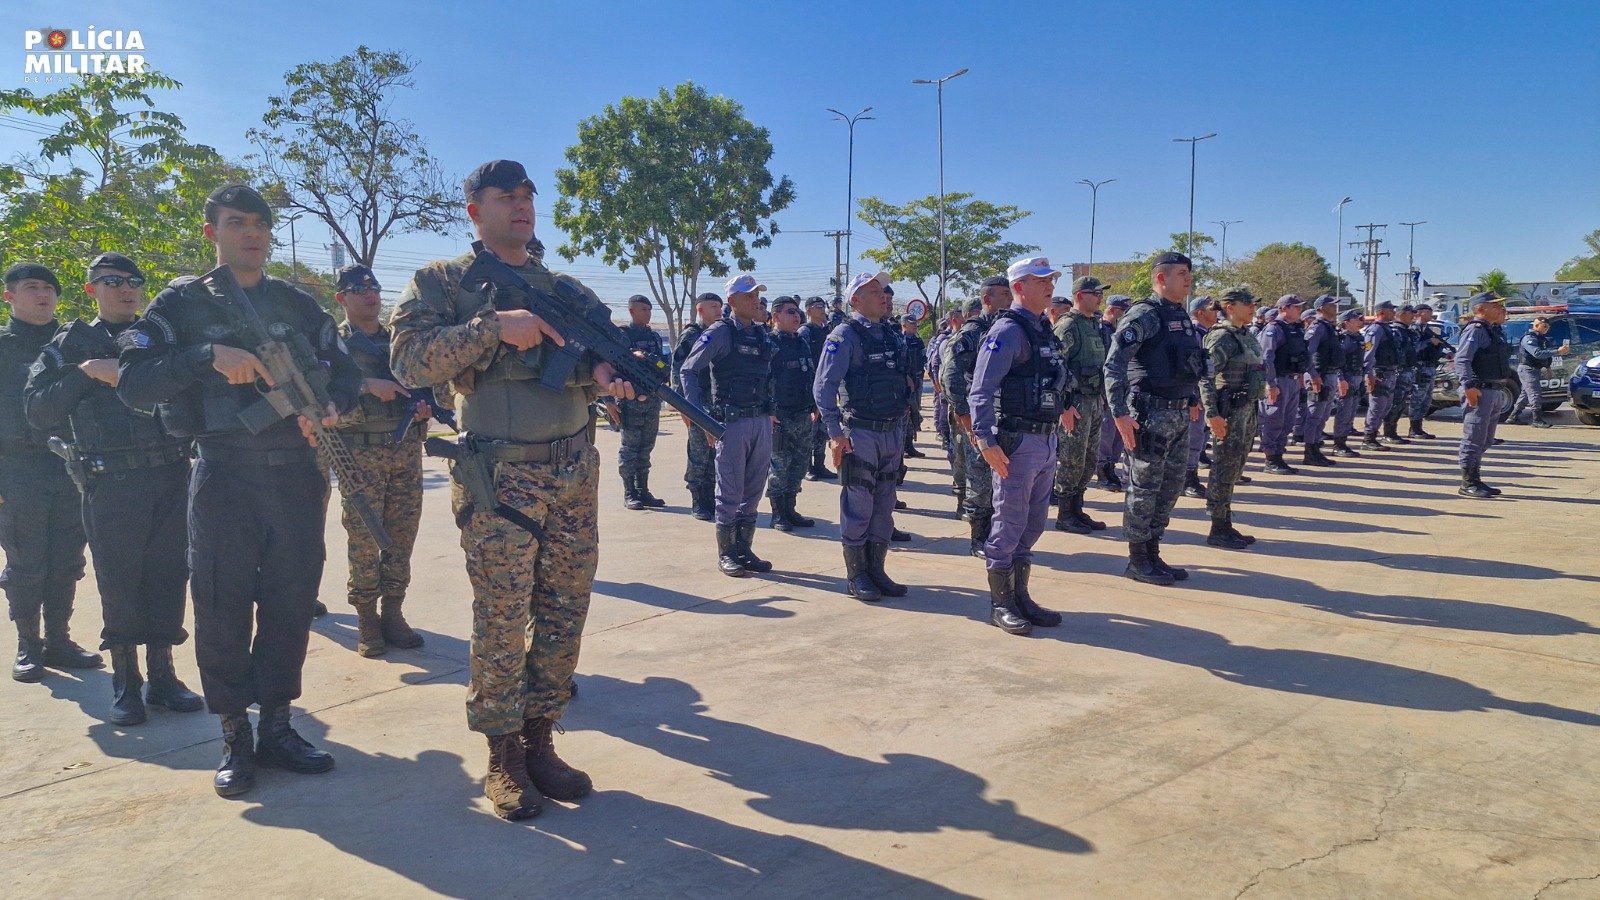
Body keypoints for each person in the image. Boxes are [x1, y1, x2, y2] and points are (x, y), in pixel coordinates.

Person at [389, 160, 635, 820]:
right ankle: (502, 753)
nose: (522, 206)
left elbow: (584, 368)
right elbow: (408, 361)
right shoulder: (443, 282)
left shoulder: (565, 289)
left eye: (529, 195)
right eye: (507, 197)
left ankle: (540, 739)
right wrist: (492, 327)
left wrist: (608, 374)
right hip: (500, 475)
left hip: (574, 472)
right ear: (475, 210)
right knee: (502, 616)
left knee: (563, 610)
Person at [118, 184, 362, 797]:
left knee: (290, 599)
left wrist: (330, 405)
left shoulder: (297, 303)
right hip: (224, 472)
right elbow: (133, 382)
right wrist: (206, 354)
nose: (250, 233)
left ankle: (278, 724)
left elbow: (348, 370)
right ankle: (234, 733)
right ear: (213, 232)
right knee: (223, 600)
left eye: (258, 223)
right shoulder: (181, 304)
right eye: (235, 223)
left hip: (296, 474)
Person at [24, 252, 201, 722]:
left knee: (168, 574)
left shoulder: (158, 336)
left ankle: (163, 676)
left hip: (169, 473)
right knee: (119, 581)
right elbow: (37, 411)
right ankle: (127, 682)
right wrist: (84, 373)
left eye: (134, 280)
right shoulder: (70, 343)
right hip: (110, 482)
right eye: (112, 281)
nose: (126, 288)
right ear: (91, 289)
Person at [970, 258, 1076, 635]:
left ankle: (1021, 597)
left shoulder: (1043, 328)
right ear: (1019, 287)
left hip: (1045, 439)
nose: (1050, 286)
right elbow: (980, 390)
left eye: (1051, 280)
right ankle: (1001, 603)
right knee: (1009, 524)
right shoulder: (1007, 331)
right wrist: (985, 440)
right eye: (1041, 281)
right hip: (1016, 441)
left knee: (1033, 523)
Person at [3, 263, 97, 684]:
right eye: (31, 287)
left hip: (71, 465)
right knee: (26, 561)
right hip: (18, 467)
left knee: (67, 559)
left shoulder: (74, 344)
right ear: (10, 296)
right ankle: (29, 643)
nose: (42, 294)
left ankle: (59, 639)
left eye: (48, 288)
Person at [328, 263, 427, 658]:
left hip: (404, 448)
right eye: (358, 289)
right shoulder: (331, 343)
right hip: (358, 453)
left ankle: (394, 612)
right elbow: (321, 397)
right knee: (364, 538)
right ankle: (367, 618)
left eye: (374, 288)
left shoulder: (398, 340)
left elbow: (426, 380)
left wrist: (423, 406)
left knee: (403, 534)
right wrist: (368, 386)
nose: (369, 295)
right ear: (342, 298)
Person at [1105, 252, 1206, 586]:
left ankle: (1153, 551)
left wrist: (1192, 396)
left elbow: (1187, 362)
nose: (1188, 278)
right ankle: (1137, 559)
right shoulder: (1144, 315)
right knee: (1144, 487)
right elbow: (1114, 365)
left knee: (1171, 487)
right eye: (1181, 273)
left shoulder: (1181, 315)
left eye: (1189, 272)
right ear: (1161, 278)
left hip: (1178, 413)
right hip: (1150, 414)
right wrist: (1120, 413)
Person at [815, 272, 913, 601]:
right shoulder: (844, 335)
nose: (884, 295)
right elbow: (823, 388)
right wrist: (834, 433)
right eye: (875, 291)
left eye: (884, 291)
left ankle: (877, 570)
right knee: (858, 505)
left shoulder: (891, 333)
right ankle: (856, 576)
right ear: (856, 300)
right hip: (860, 432)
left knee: (884, 506)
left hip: (891, 431)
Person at [680, 274, 777, 578]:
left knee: (754, 489)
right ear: (732, 301)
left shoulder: (762, 334)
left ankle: (744, 549)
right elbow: (688, 371)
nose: (755, 301)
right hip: (731, 423)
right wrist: (701, 418)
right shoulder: (720, 332)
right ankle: (727, 553)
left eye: (757, 295)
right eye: (748, 296)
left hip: (760, 421)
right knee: (730, 490)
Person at [942, 277, 1008, 556]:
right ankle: (978, 539)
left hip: (1006, 415)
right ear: (988, 300)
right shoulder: (972, 333)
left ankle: (998, 533)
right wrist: (965, 416)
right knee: (979, 480)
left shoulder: (1010, 329)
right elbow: (950, 376)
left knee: (1002, 479)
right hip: (980, 417)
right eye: (1005, 294)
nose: (1010, 299)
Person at [1199, 288, 1266, 550]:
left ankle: (1225, 522)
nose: (1253, 307)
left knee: (1236, 467)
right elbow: (1205, 377)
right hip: (1229, 411)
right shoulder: (1221, 338)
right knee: (1224, 469)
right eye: (1247, 303)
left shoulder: (1244, 334)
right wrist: (1212, 414)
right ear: (1229, 306)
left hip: (1247, 410)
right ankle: (1218, 526)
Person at [1052, 276, 1109, 533]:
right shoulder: (1068, 326)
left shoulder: (1093, 325)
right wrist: (1063, 405)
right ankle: (1065, 514)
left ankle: (1077, 508)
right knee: (1071, 459)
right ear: (1079, 295)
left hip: (1094, 400)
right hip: (1075, 403)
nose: (1100, 298)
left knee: (1088, 459)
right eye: (1095, 293)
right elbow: (1055, 367)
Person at [1453, 293, 1514, 497]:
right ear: (1480, 309)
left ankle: (1474, 476)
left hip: (1494, 390)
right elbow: (1462, 360)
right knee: (1474, 437)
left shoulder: (1492, 330)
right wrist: (1469, 385)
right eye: (1495, 306)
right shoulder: (1475, 329)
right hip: (1479, 390)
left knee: (1485, 439)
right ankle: (1469, 481)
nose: (1500, 309)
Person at [765, 296, 816, 531]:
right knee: (780, 465)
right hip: (780, 415)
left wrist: (815, 404)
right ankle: (778, 514)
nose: (796, 317)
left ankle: (790, 509)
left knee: (799, 463)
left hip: (803, 413)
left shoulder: (801, 342)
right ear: (775, 317)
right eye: (789, 312)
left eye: (797, 312)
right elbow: (762, 379)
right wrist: (769, 408)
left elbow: (810, 375)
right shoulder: (770, 343)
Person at [674, 292, 723, 520]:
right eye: (713, 306)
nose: (718, 310)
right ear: (700, 310)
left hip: (717, 403)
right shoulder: (692, 334)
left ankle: (711, 499)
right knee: (699, 453)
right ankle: (697, 500)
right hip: (697, 403)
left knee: (715, 454)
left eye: (720, 306)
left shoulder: (721, 332)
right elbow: (678, 369)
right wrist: (684, 406)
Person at [617, 295, 668, 509]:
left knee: (646, 447)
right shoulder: (622, 336)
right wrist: (611, 400)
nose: (648, 313)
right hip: (630, 401)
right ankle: (630, 492)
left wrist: (649, 359)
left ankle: (643, 490)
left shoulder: (654, 337)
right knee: (630, 448)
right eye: (644, 309)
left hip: (652, 399)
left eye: (649, 309)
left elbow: (663, 366)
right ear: (632, 311)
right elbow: (612, 365)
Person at [1257, 295, 1309, 475]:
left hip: (1292, 380)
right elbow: (1266, 358)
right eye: (1296, 307)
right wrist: (1270, 384)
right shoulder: (1274, 329)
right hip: (1278, 380)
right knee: (1274, 419)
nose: (1299, 310)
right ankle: (1270, 459)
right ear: (1284, 308)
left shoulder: (1295, 329)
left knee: (1288, 421)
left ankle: (1278, 455)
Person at [1296, 294, 1342, 467]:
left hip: (1328, 375)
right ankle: (1309, 452)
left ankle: (1315, 449)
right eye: (1332, 305)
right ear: (1321, 308)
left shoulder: (1328, 327)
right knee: (1314, 415)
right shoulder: (1318, 327)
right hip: (1319, 375)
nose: (1335, 308)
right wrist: (1314, 375)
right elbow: (1308, 353)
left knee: (1322, 416)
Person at [927, 306, 964, 512]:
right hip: (948, 396)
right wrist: (938, 386)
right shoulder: (944, 341)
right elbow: (934, 365)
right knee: (953, 442)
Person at [1094, 295, 1132, 492]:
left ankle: (1110, 469)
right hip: (1104, 392)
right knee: (1106, 434)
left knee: (1117, 436)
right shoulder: (1100, 330)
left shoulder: (1120, 332)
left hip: (1121, 391)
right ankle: (1102, 472)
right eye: (1123, 311)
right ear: (1112, 310)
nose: (1126, 315)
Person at [1183, 295, 1218, 497]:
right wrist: (1192, 398)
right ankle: (1188, 479)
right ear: (1199, 313)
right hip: (1195, 395)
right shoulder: (1194, 334)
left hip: (1205, 394)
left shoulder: (1207, 333)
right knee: (1193, 437)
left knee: (1201, 436)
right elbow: (1191, 368)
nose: (1216, 312)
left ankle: (1191, 474)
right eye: (1211, 309)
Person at [1506, 315, 1569, 428]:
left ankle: (1513, 416)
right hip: (1527, 369)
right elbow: (1537, 353)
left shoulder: (1541, 339)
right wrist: (1558, 351)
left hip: (1534, 369)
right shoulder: (1529, 338)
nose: (1546, 329)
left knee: (1525, 394)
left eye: (1548, 327)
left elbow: (1545, 355)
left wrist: (1548, 368)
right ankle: (1537, 419)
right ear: (1536, 326)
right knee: (1535, 393)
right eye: (1544, 326)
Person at [800, 297, 837, 481]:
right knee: (809, 430)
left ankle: (820, 465)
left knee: (822, 431)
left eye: (823, 306)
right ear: (808, 311)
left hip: (824, 386)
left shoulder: (827, 331)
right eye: (818, 307)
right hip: (808, 386)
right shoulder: (804, 332)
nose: (822, 309)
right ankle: (808, 467)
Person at [1361, 300, 1402, 451]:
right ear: (1381, 312)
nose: (1393, 312)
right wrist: (1369, 375)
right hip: (1380, 374)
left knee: (1385, 406)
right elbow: (1368, 355)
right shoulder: (1375, 330)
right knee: (1377, 407)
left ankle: (1373, 435)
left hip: (1390, 372)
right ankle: (1368, 438)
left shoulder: (1388, 329)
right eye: (1391, 310)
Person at [1409, 303, 1449, 438]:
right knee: (1418, 398)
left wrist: (1443, 354)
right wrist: (1429, 342)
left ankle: (1418, 428)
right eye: (1428, 311)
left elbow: (1431, 350)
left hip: (1430, 366)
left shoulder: (1427, 329)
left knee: (1427, 399)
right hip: (1420, 367)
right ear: (1420, 313)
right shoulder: (1415, 329)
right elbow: (1414, 348)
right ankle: (1414, 428)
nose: (1431, 314)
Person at [1381, 304, 1420, 444]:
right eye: (1411, 314)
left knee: (1402, 403)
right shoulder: (1396, 330)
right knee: (1395, 402)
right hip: (1400, 371)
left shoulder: (1406, 331)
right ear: (1402, 314)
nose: (1413, 317)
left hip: (1408, 371)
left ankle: (1393, 431)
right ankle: (1388, 432)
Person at [1331, 309, 1367, 456]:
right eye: (1356, 319)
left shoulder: (1358, 338)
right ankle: (1338, 445)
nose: (1360, 322)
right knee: (1344, 411)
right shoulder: (1342, 339)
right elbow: (1337, 362)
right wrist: (1340, 379)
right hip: (1346, 377)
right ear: (1346, 322)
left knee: (1351, 411)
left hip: (1357, 377)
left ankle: (1343, 442)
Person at [900, 314, 927, 458]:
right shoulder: (900, 340)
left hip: (917, 379)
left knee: (914, 414)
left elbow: (924, 358)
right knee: (905, 414)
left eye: (916, 323)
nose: (915, 325)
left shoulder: (918, 340)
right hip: (906, 382)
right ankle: (903, 446)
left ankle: (910, 445)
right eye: (912, 323)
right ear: (904, 325)